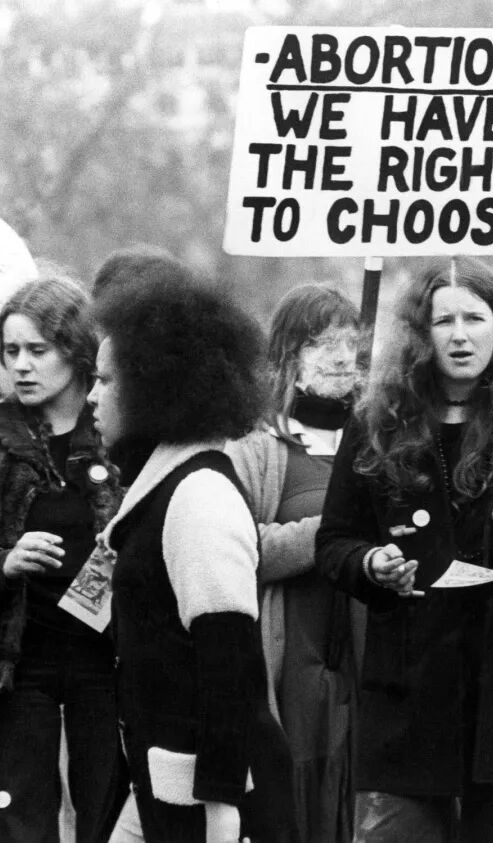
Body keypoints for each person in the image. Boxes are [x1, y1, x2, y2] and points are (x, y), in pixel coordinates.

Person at [316, 258, 493, 842]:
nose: (460, 335)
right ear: (421, 333)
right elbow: (335, 541)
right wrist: (371, 564)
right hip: (411, 691)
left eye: (474, 318)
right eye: (443, 320)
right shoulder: (376, 424)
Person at [88, 273, 297, 842]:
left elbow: (229, 663)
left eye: (105, 380)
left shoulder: (199, 495)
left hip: (209, 801)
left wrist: (222, 807)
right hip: (165, 787)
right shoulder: (168, 485)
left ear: (154, 386)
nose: (92, 396)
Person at [0, 275, 127, 842]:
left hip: (108, 664)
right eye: (11, 351)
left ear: (77, 351)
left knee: (109, 821)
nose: (22, 366)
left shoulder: (121, 432)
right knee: (15, 824)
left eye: (38, 350)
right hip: (9, 666)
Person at [225, 285, 365, 843]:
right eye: (323, 343)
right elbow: (236, 548)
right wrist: (330, 534)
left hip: (366, 655)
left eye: (350, 342)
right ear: (288, 352)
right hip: (293, 659)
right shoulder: (257, 445)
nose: (341, 357)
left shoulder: (379, 439)